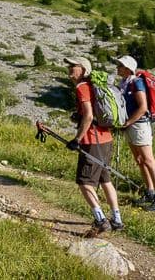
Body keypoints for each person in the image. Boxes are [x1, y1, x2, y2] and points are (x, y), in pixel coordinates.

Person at [64, 55, 124, 235]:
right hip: (106, 139)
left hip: (92, 141)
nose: (69, 69)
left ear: (82, 69)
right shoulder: (93, 86)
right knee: (105, 180)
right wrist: (78, 116)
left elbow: (89, 116)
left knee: (84, 182)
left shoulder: (82, 87)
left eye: (73, 66)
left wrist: (77, 139)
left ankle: (100, 220)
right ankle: (117, 219)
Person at [114, 55, 155, 211]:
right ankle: (149, 191)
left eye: (120, 65)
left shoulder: (137, 83)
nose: (118, 67)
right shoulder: (125, 83)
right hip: (131, 125)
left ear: (128, 68)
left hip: (139, 125)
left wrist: (128, 123)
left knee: (148, 160)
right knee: (139, 159)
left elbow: (143, 107)